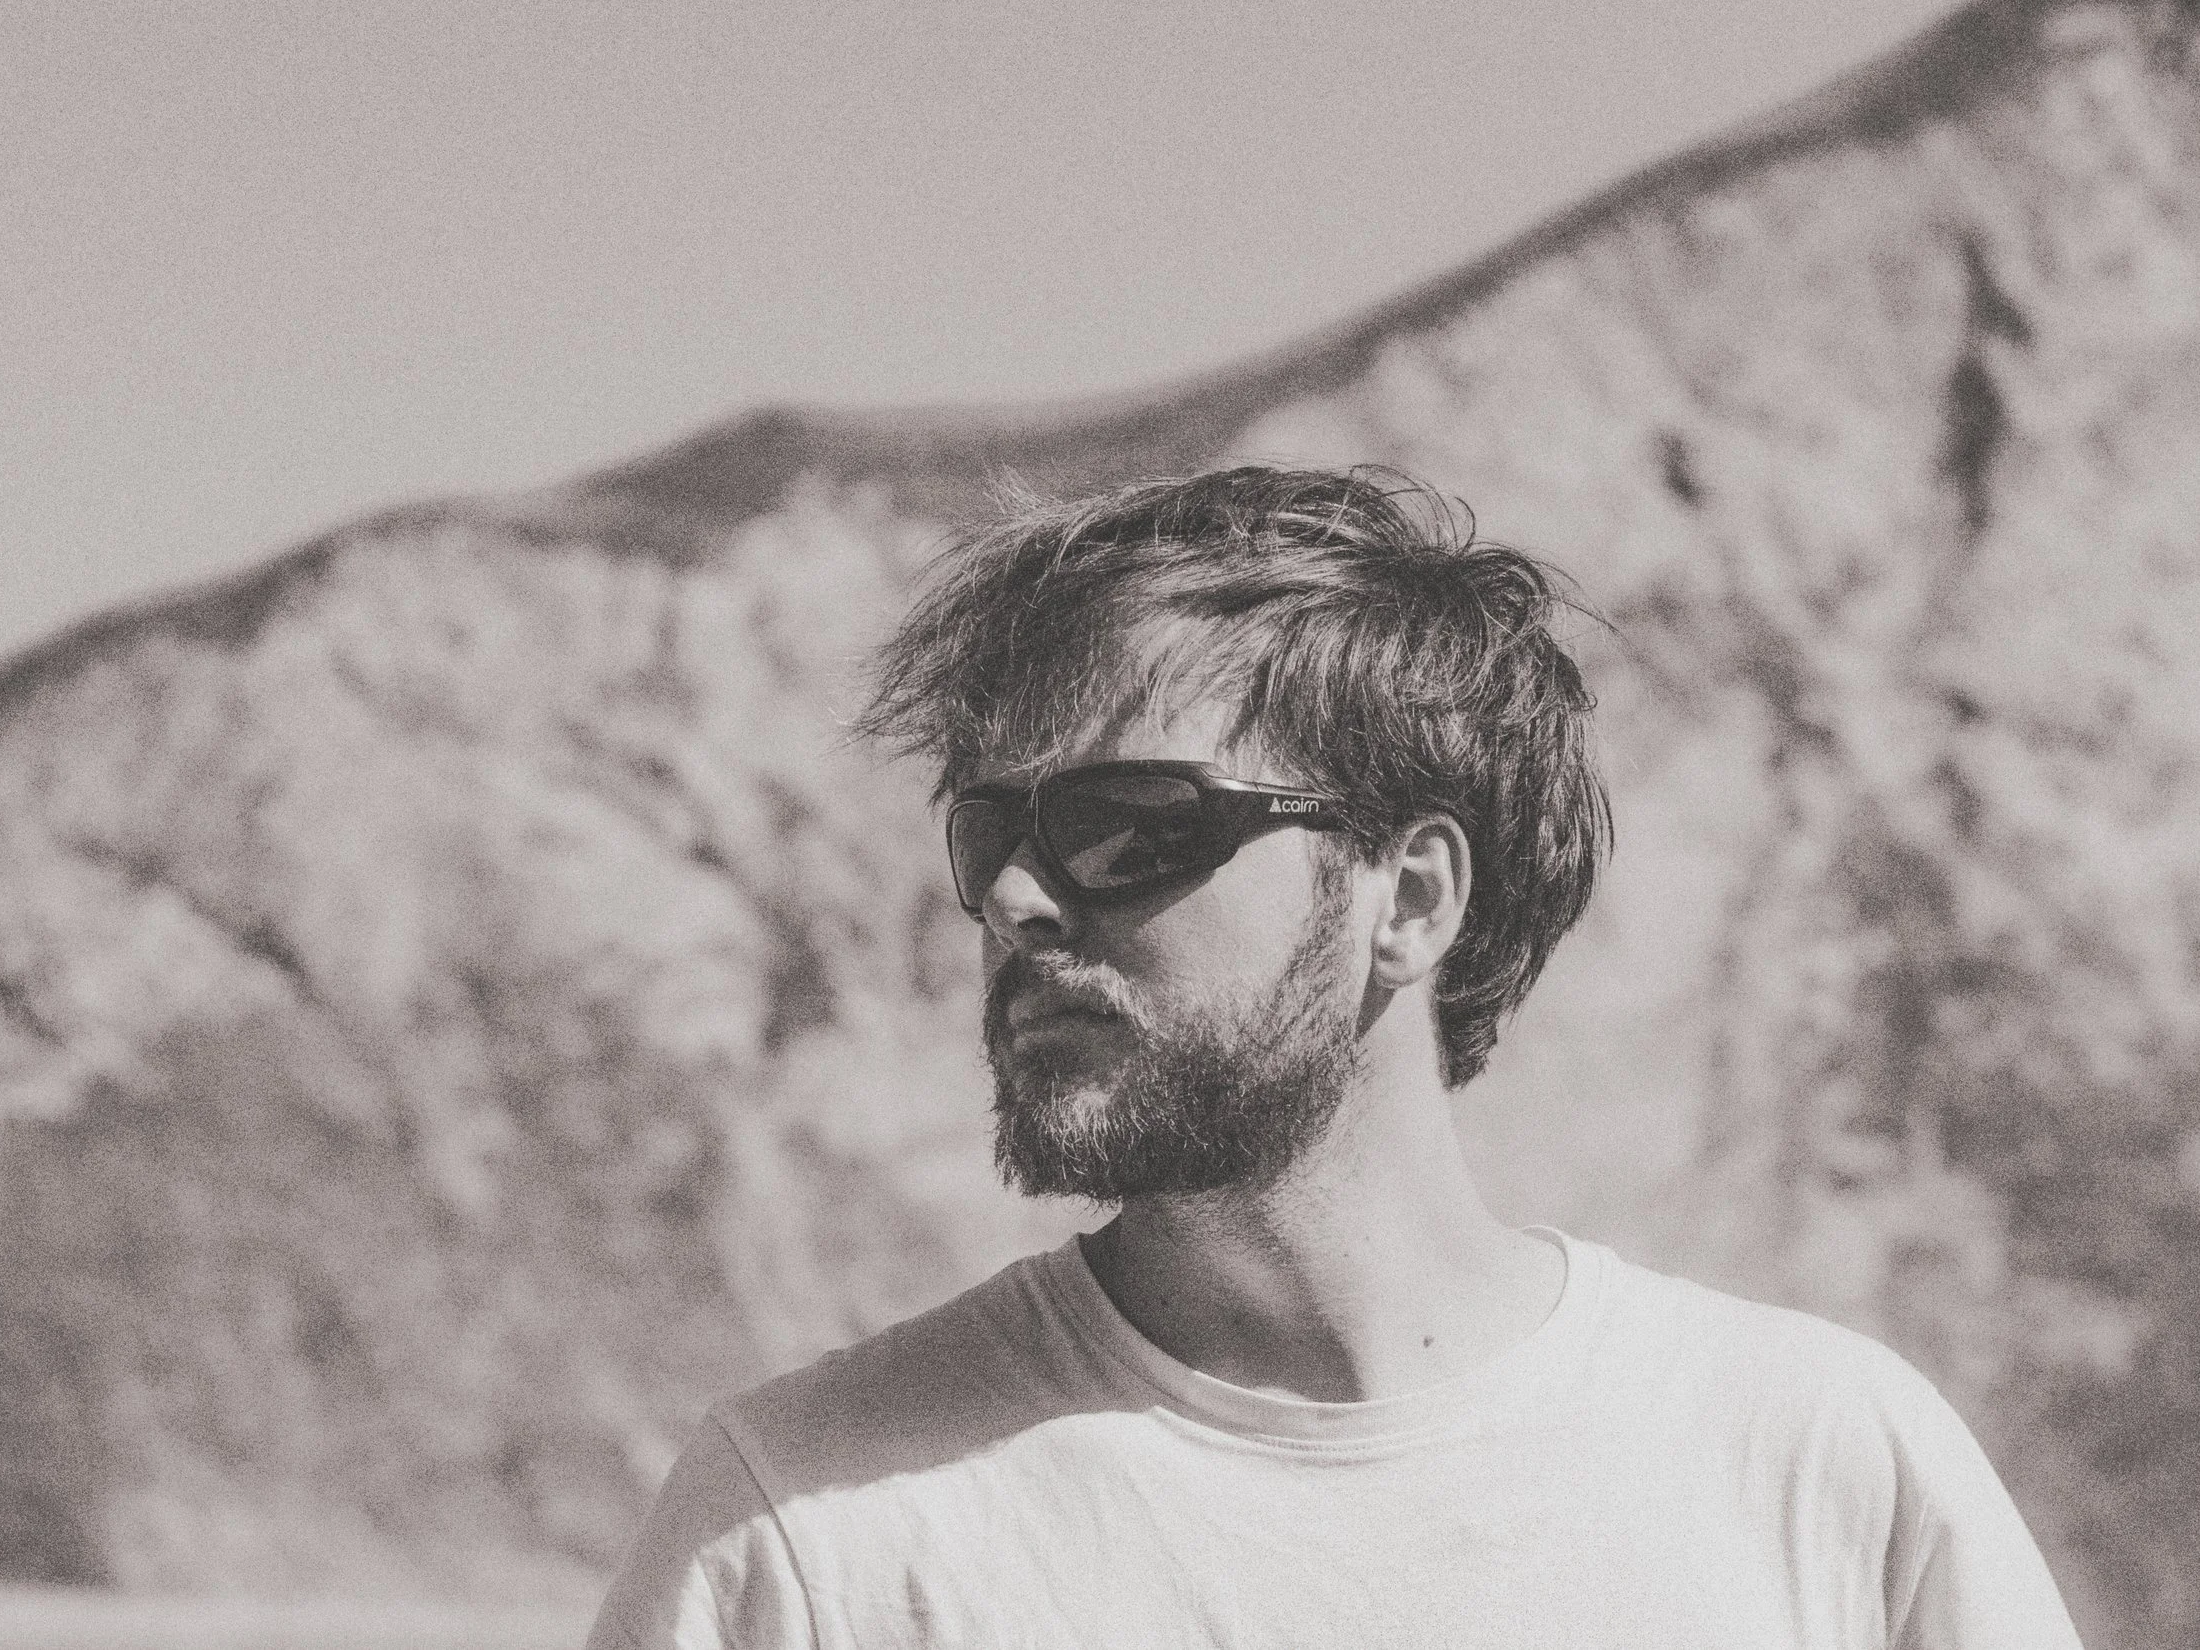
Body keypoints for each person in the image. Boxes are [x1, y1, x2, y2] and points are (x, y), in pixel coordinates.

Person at [583, 466, 2082, 1648]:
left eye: (1126, 826)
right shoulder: (802, 1532)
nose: (1024, 900)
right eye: (996, 835)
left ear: (1409, 896)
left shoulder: (1817, 1462)